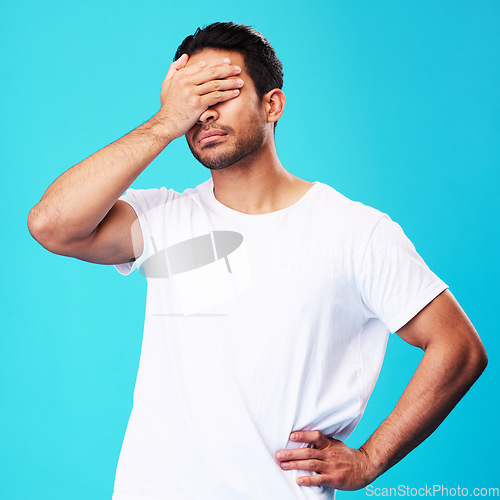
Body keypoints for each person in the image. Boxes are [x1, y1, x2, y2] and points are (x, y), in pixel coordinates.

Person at [28, 22, 487, 500]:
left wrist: (370, 460)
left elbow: (459, 347)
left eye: (220, 91)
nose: (203, 113)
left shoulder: (356, 232)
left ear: (272, 104)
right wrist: (166, 120)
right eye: (192, 97)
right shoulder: (164, 218)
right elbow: (51, 224)